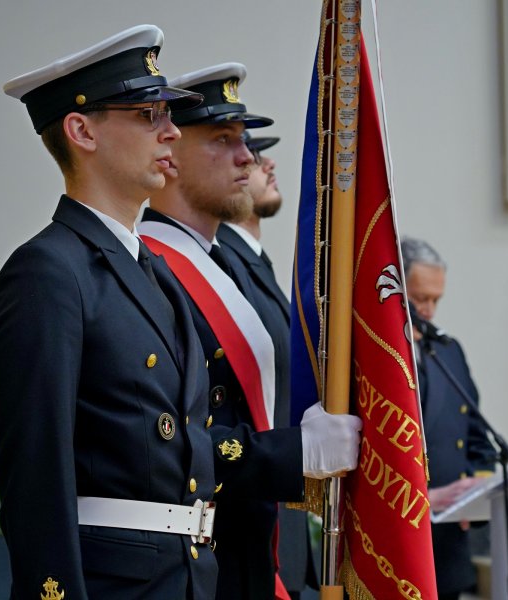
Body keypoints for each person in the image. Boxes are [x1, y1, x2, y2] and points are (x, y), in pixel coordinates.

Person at [0, 26, 219, 600]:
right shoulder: (47, 271)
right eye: (147, 115)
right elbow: (36, 474)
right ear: (81, 130)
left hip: (184, 577)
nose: (171, 133)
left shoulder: (153, 269)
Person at [137, 63, 362, 600]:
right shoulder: (151, 270)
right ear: (169, 152)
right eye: (222, 140)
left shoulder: (222, 266)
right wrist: (294, 452)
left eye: (245, 141)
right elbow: (164, 442)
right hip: (198, 559)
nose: (248, 157)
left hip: (251, 547)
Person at [217, 134, 317, 599]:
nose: (265, 163)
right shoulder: (219, 266)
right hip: (247, 531)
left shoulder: (253, 263)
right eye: (249, 154)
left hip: (280, 525)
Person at [401, 237, 496, 600]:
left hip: (448, 544)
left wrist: (478, 492)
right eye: (421, 298)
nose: (429, 311)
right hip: (400, 535)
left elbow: (476, 438)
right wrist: (426, 497)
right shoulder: (373, 356)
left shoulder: (448, 350)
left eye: (436, 300)